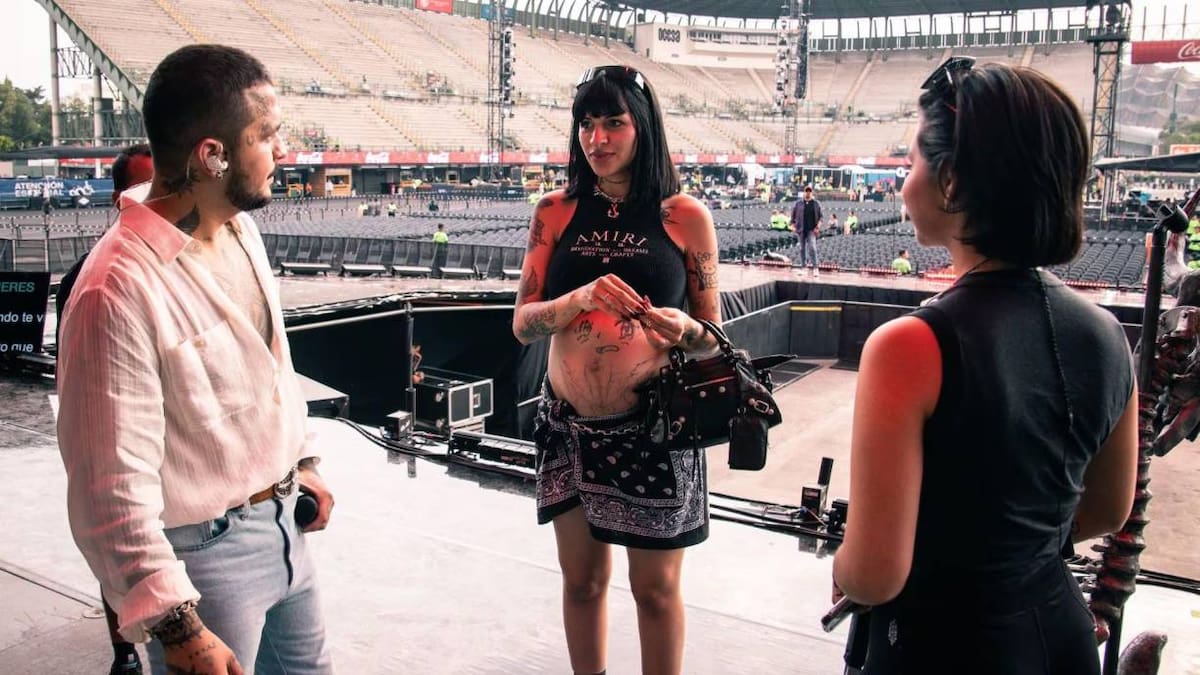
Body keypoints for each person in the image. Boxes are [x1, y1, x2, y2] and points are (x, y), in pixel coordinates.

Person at [831, 58, 1137, 674]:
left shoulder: (908, 345)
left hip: (943, 647)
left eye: (913, 161)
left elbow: (872, 575)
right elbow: (1108, 508)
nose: (901, 181)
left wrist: (844, 565)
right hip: (1059, 635)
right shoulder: (1106, 334)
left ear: (952, 183)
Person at [57, 44, 335, 675]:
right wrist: (177, 627)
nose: (283, 150)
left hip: (287, 528)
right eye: (267, 135)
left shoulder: (242, 228)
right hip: (203, 559)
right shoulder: (114, 290)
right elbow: (108, 490)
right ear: (212, 156)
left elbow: (272, 371)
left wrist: (304, 462)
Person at [512, 64, 721, 675]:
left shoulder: (685, 216)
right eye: (585, 124)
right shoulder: (553, 211)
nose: (596, 139)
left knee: (654, 590)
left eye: (613, 123)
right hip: (568, 427)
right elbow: (522, 323)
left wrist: (683, 330)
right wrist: (575, 300)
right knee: (581, 582)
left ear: (643, 128)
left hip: (655, 431)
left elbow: (713, 338)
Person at [54, 143, 154, 675]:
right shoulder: (89, 276)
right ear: (117, 196)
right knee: (120, 552)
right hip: (118, 442)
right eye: (140, 185)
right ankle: (125, 653)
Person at [789, 185, 823, 275]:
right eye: (806, 191)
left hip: (812, 229)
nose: (808, 193)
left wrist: (818, 227)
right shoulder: (798, 203)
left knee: (812, 247)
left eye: (809, 191)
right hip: (801, 229)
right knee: (802, 249)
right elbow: (793, 215)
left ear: (811, 193)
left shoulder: (816, 203)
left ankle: (815, 267)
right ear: (804, 192)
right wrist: (793, 225)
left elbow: (821, 217)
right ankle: (804, 267)